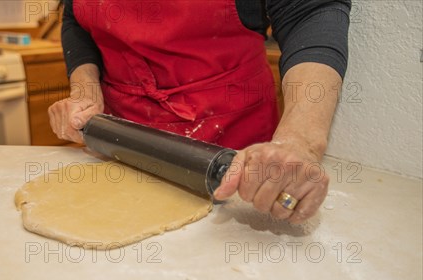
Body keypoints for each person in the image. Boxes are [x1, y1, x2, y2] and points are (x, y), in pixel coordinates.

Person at [49, 0, 351, 224]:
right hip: (125, 147)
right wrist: (85, 91)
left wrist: (300, 141)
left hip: (235, 153)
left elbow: (310, 12)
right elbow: (76, 17)